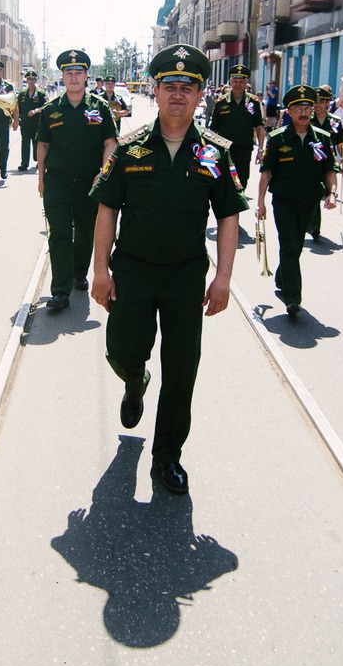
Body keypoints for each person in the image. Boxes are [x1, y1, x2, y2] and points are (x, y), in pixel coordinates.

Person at [90, 44, 247, 497]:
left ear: (200, 95)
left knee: (181, 369)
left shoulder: (215, 152)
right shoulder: (130, 147)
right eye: (170, 86)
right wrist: (100, 270)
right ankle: (134, 380)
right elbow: (106, 209)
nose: (178, 94)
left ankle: (167, 456)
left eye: (188, 87)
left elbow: (229, 216)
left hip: (185, 277)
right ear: (155, 91)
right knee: (123, 348)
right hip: (133, 272)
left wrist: (223, 277)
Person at [38, 50, 119, 310]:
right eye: (69, 73)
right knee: (60, 233)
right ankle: (60, 290)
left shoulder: (100, 107)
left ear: (86, 76)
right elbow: (43, 146)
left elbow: (110, 143)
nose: (73, 77)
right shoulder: (50, 110)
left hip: (89, 182)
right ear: (62, 77)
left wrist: (104, 172)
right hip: (57, 182)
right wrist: (41, 179)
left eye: (78, 73)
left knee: (86, 232)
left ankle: (79, 272)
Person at [257, 85, 338, 318]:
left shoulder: (322, 139)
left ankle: (282, 277)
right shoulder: (278, 138)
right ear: (289, 112)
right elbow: (266, 171)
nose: (303, 113)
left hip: (310, 201)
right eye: (298, 109)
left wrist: (332, 193)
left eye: (307, 108)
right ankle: (293, 298)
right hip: (284, 200)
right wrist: (260, 202)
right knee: (289, 244)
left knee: (296, 245)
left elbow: (330, 169)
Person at [209, 63, 265, 193]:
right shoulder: (221, 102)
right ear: (230, 82)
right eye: (235, 81)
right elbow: (214, 129)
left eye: (241, 81)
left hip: (244, 150)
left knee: (242, 181)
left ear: (246, 83)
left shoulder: (253, 102)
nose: (238, 84)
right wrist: (211, 150)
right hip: (225, 150)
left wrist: (261, 150)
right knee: (225, 181)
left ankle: (238, 202)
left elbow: (260, 127)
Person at [307, 85, 343, 243]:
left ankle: (311, 224)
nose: (317, 105)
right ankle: (314, 226)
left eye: (320, 101)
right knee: (314, 193)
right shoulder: (307, 119)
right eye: (315, 101)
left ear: (327, 103)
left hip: (328, 163)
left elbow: (341, 144)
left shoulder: (334, 122)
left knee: (321, 193)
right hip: (310, 162)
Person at [16, 69, 49, 171]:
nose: (31, 81)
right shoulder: (22, 94)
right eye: (29, 79)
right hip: (25, 123)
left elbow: (47, 106)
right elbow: (17, 107)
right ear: (26, 80)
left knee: (36, 143)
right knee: (25, 143)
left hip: (37, 123)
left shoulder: (41, 93)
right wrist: (16, 120)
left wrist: (36, 111)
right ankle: (24, 163)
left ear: (36, 80)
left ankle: (38, 161)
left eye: (33, 79)